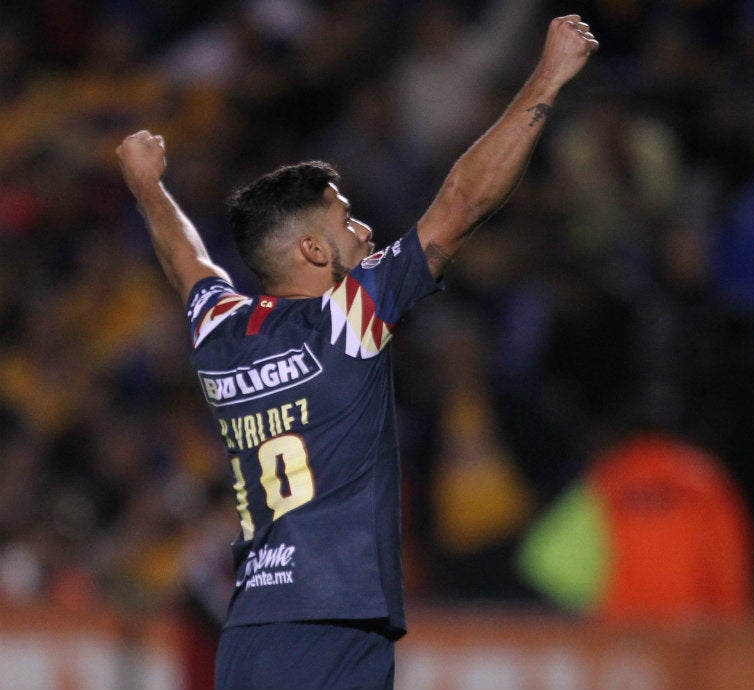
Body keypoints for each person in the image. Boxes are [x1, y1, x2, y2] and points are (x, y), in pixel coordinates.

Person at [115, 15, 598, 690]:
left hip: (248, 633)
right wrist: (550, 74)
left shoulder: (221, 331)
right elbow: (461, 203)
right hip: (331, 625)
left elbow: (184, 260)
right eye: (346, 218)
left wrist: (146, 187)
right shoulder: (348, 317)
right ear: (312, 250)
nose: (365, 229)